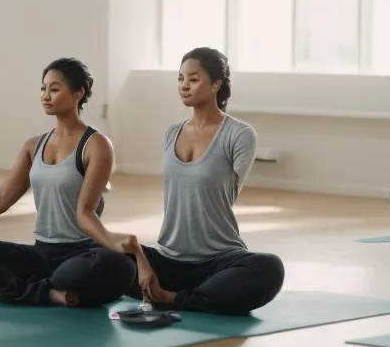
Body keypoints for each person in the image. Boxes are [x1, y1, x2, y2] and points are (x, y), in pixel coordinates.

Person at [0, 58, 134, 307]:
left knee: (118, 265)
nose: (46, 96)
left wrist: (113, 242)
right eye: (43, 88)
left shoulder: (96, 145)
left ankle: (44, 286)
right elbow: (2, 198)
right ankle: (48, 292)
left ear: (78, 93)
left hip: (81, 253)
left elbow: (86, 212)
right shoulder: (33, 145)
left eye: (54, 89)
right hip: (40, 253)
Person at [121, 47, 284, 315]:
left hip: (218, 260)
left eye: (193, 79)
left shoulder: (239, 134)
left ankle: (173, 298)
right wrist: (140, 257)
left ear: (216, 84)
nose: (184, 86)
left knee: (269, 268)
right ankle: (200, 297)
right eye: (180, 78)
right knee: (105, 254)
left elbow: (230, 191)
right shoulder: (172, 132)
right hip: (168, 259)